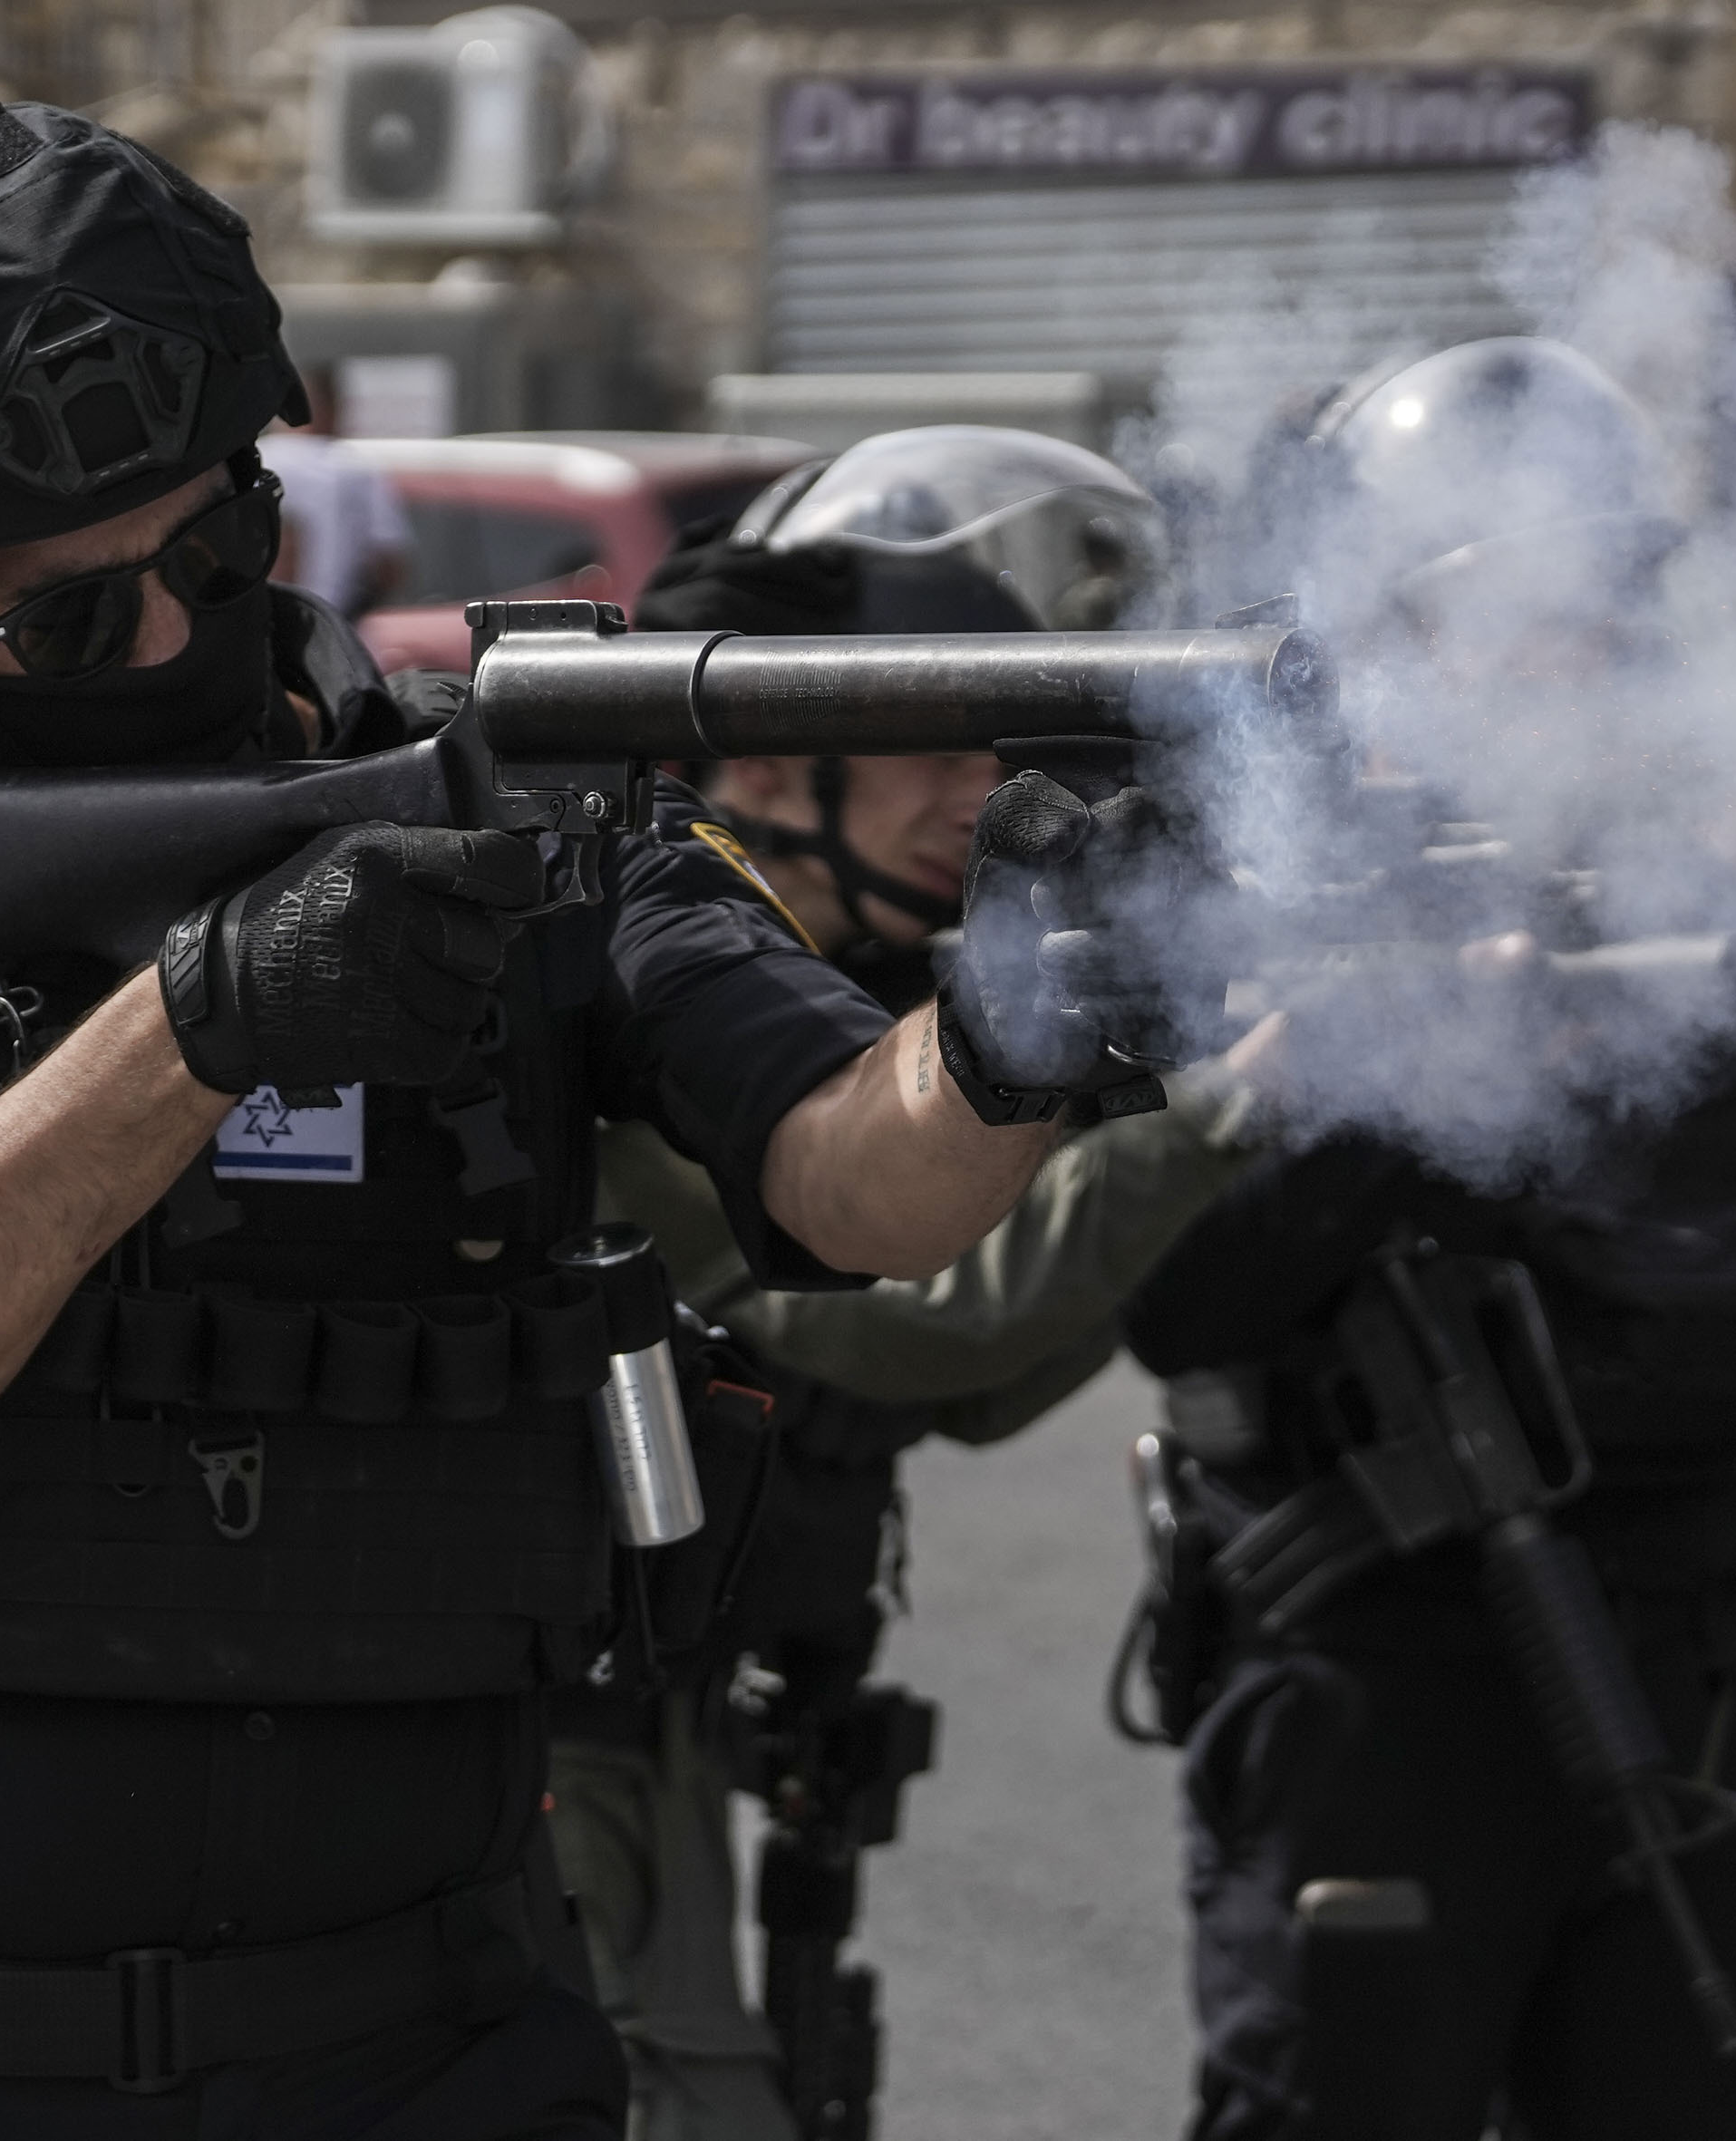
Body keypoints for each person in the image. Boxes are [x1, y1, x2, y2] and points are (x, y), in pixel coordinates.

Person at [0, 106, 1123, 2140]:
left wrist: (1021, 1022)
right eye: (61, 617)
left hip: (433, 2048)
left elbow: (851, 1177)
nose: (162, 637)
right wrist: (208, 1017)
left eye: (211, 553)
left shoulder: (488, 785)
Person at [1118, 339, 1736, 2141]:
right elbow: (1178, 1300)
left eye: (1579, 613)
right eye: (1470, 612)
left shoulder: (1726, 955)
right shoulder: (1258, 928)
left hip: (1712, 1704)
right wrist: (1408, 1058)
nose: (1529, 661)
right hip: (1371, 1708)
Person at [545, 430, 1273, 2138]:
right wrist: (1222, 1112)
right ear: (776, 770)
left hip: (688, 1704)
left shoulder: (834, 983)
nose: (982, 795)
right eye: (940, 749)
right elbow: (922, 1315)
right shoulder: (651, 1008)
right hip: (548, 1741)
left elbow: (977, 1382)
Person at [265, 365, 412, 618]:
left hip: (256, 616)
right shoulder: (353, 468)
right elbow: (389, 562)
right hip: (332, 620)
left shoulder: (258, 460)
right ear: (334, 409)